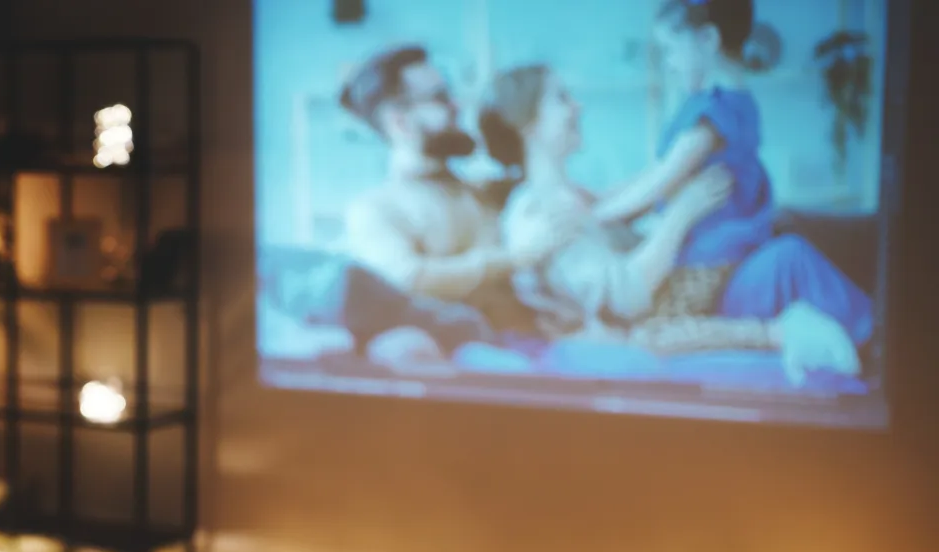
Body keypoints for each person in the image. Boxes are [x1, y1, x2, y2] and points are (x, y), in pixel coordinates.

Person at [482, 63, 862, 382]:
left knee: (786, 249)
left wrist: (681, 171)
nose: (577, 106)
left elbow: (637, 192)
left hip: (678, 299)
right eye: (561, 98)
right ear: (527, 125)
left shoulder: (573, 195)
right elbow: (626, 297)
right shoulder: (540, 213)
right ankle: (884, 354)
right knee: (789, 259)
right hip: (655, 324)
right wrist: (684, 212)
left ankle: (878, 348)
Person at [592, 0, 872, 361]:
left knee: (646, 328)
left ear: (707, 39)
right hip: (718, 252)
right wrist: (599, 199)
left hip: (707, 262)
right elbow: (652, 172)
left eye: (671, 50)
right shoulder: (722, 104)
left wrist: (596, 216)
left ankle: (863, 337)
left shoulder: (715, 113)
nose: (669, 64)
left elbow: (660, 181)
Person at [338, 45, 571, 330]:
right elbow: (408, 277)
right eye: (440, 98)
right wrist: (513, 258)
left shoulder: (483, 191)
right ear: (400, 122)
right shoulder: (374, 209)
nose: (457, 106)